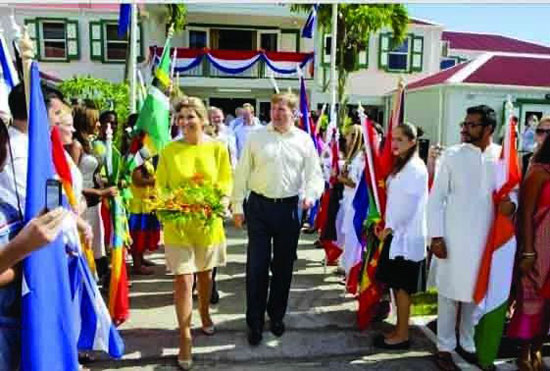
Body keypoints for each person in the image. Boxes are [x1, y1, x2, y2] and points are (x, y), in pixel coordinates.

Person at [231, 92, 324, 346]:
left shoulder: (304, 141)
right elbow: (242, 173)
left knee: (283, 267)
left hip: (289, 209)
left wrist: (310, 196)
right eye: (273, 109)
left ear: (293, 113)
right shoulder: (256, 138)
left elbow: (315, 175)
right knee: (257, 266)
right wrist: (237, 206)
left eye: (282, 109)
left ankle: (277, 315)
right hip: (259, 207)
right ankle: (255, 322)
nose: (277, 113)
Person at [428, 105, 517, 371]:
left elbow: (513, 192)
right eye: (464, 124)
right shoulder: (453, 156)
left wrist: (511, 205)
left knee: (475, 294)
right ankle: (444, 347)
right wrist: (436, 237)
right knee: (448, 294)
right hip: (453, 239)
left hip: (486, 241)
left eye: (472, 125)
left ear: (489, 128)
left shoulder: (502, 156)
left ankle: (467, 344)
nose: (465, 129)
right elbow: (435, 200)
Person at [156, 97, 232, 370]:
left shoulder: (218, 149)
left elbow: (225, 180)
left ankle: (204, 313)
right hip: (178, 224)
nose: (185, 122)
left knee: (204, 275)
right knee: (183, 280)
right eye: (181, 117)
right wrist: (169, 205)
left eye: (190, 117)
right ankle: (185, 337)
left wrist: (221, 203)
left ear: (203, 120)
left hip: (207, 223)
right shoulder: (168, 150)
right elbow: (161, 185)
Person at [374, 123, 428, 349]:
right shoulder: (402, 166)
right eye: (392, 139)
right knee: (397, 286)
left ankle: (403, 334)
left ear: (412, 142)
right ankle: (399, 328)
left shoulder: (415, 168)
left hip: (405, 236)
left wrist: (391, 227)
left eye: (400, 140)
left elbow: (410, 205)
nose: (394, 144)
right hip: (396, 234)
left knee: (403, 288)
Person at [507, 133, 550, 371]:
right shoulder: (538, 172)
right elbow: (524, 213)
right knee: (531, 301)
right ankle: (524, 352)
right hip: (538, 250)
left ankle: (538, 347)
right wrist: (529, 251)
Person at [128, 146, 160, 275]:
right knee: (138, 235)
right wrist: (157, 180)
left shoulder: (145, 149)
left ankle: (141, 259)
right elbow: (138, 179)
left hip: (146, 203)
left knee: (144, 234)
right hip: (137, 205)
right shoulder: (134, 156)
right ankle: (137, 265)